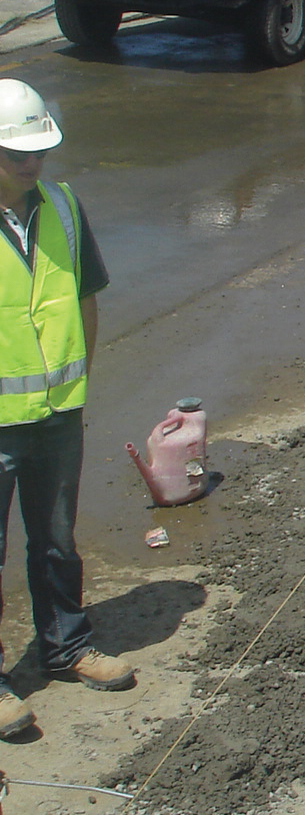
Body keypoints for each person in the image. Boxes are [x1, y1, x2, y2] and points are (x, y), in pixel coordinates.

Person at [0, 81, 133, 738]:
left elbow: (85, 296)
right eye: (17, 155)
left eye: (37, 152)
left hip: (55, 413)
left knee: (55, 541)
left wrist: (76, 380)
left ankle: (66, 646)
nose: (32, 165)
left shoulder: (63, 206)